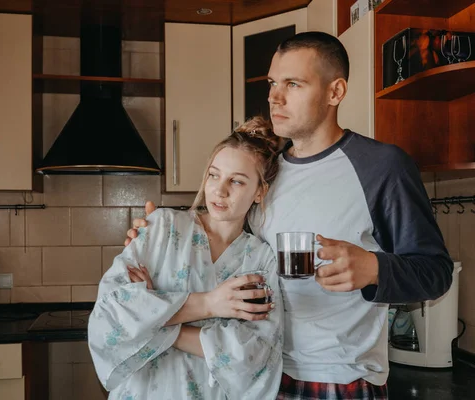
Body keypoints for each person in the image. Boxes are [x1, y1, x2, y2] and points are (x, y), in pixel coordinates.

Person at [125, 31, 454, 399]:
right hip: (254, 371)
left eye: (293, 84)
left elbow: (436, 272)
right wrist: (155, 239)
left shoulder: (382, 167)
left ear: (335, 92)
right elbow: (220, 245)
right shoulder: (264, 172)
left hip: (337, 379)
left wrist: (373, 268)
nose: (274, 97)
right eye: (272, 83)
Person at [88, 117, 286, 399]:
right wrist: (209, 304)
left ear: (259, 192)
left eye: (237, 181)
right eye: (214, 175)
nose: (219, 190)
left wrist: (154, 317)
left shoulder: (260, 259)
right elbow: (110, 318)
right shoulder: (161, 227)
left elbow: (254, 355)